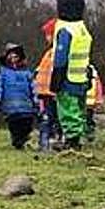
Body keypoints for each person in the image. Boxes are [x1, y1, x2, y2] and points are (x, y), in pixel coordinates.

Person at [49, 0, 94, 149]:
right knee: (79, 109)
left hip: (67, 77)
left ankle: (71, 140)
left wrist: (56, 78)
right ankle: (78, 137)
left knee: (67, 109)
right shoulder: (82, 28)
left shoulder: (65, 29)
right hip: (81, 76)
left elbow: (61, 57)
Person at [0, 42, 38, 149]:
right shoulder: (2, 72)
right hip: (10, 106)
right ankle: (18, 142)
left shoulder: (27, 73)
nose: (13, 57)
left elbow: (34, 87)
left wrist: (37, 100)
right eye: (10, 55)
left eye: (16, 55)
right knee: (15, 126)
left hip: (26, 106)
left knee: (26, 125)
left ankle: (24, 140)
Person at [33, 17, 62, 152]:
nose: (46, 38)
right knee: (46, 119)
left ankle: (51, 143)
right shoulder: (49, 53)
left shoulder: (56, 53)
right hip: (45, 93)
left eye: (48, 34)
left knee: (53, 119)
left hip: (52, 93)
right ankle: (45, 143)